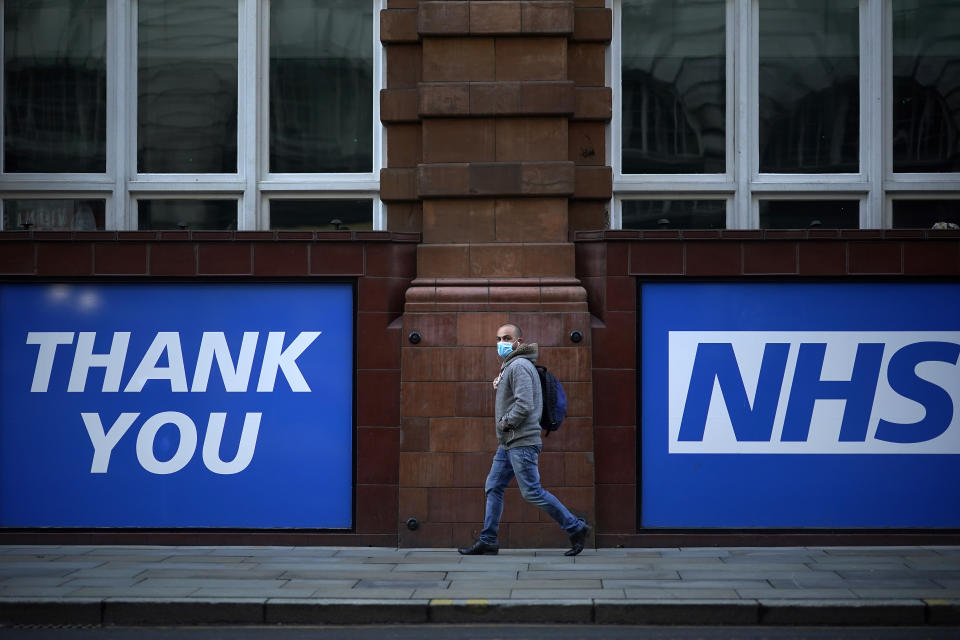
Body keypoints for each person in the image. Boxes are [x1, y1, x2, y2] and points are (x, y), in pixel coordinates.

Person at [458, 323, 590, 556]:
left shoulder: (518, 365)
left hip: (521, 440)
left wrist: (505, 422)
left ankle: (576, 527)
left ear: (519, 341)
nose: (501, 343)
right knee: (494, 486)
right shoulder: (511, 366)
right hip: (509, 442)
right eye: (498, 339)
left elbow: (525, 403)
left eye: (507, 338)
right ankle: (488, 539)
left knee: (532, 491)